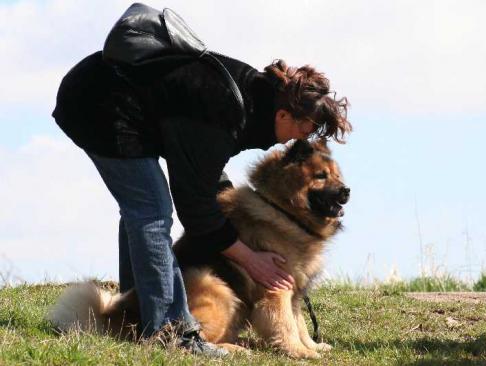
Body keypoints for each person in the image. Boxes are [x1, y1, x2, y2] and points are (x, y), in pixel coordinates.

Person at [52, 3, 351, 358]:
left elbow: (204, 174)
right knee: (151, 210)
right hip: (98, 104)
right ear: (283, 113)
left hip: (127, 104)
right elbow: (195, 208)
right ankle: (171, 331)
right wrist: (250, 258)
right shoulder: (225, 109)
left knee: (147, 208)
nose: (295, 140)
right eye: (301, 129)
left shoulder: (249, 102)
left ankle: (135, 310)